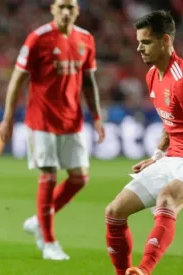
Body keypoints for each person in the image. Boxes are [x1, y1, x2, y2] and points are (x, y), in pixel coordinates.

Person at [0, 0, 104, 260]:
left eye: (71, 7)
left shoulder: (86, 39)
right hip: (42, 120)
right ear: (52, 10)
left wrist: (97, 117)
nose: (66, 12)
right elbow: (17, 79)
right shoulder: (38, 38)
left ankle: (39, 219)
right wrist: (8, 117)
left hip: (72, 120)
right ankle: (49, 242)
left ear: (78, 11)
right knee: (49, 176)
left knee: (80, 178)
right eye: (62, 7)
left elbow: (88, 81)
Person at [102, 10, 182, 275]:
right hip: (172, 159)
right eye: (138, 41)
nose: (138, 48)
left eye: (145, 42)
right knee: (114, 211)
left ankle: (144, 270)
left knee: (167, 199)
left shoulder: (181, 81)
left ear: (166, 41)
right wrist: (158, 157)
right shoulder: (152, 76)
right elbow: (169, 122)